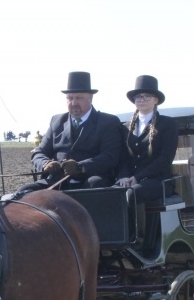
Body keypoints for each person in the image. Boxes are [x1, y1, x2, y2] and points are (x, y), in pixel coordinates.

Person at [17, 71, 123, 194]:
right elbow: (39, 152)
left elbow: (110, 157)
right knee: (24, 192)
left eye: (79, 98)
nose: (73, 103)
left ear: (91, 98)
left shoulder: (108, 122)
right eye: (70, 98)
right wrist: (46, 164)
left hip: (91, 180)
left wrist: (81, 167)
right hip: (58, 181)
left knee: (94, 187)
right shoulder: (56, 121)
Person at [114, 75, 177, 204]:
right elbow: (123, 158)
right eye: (138, 97)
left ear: (156, 100)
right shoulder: (125, 127)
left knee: (132, 193)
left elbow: (165, 159)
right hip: (131, 179)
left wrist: (138, 177)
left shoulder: (167, 124)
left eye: (147, 96)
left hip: (159, 180)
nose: (142, 100)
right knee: (110, 193)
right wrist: (123, 176)